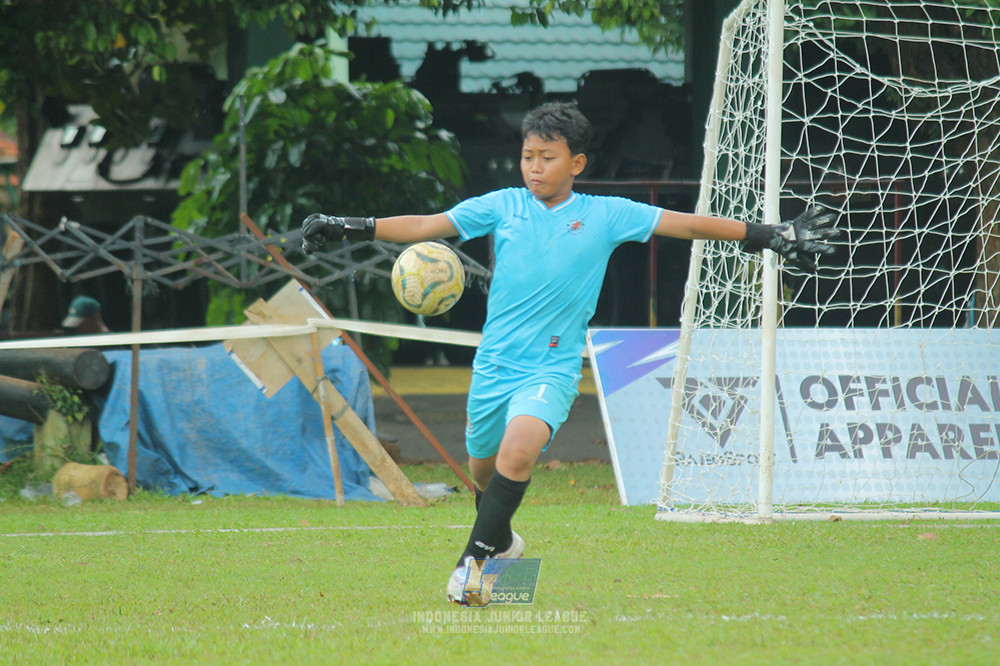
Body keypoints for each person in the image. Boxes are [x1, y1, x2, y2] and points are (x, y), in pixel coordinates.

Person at [299, 101, 840, 604]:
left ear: (576, 162)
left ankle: (472, 566)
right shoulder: (503, 205)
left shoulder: (606, 214)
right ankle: (507, 550)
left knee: (518, 454)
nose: (534, 167)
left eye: (547, 157)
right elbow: (425, 226)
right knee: (484, 475)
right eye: (527, 156)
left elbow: (687, 225)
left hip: (550, 367)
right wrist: (353, 226)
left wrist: (766, 233)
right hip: (493, 368)